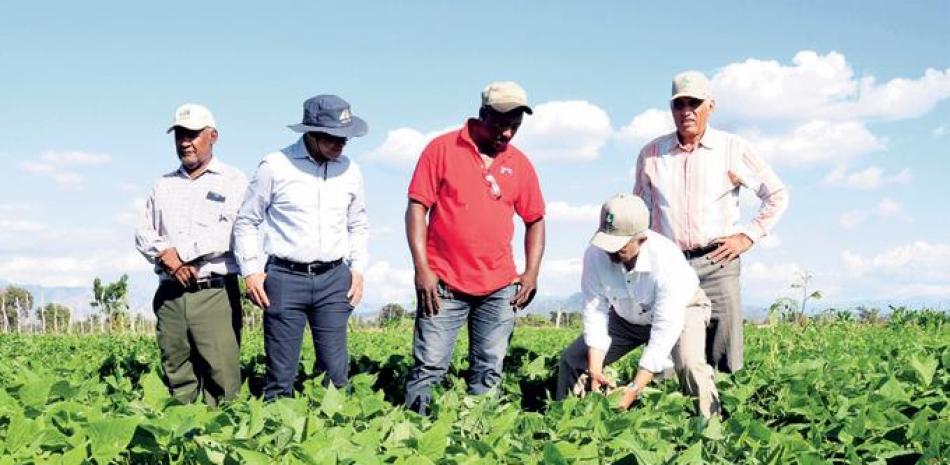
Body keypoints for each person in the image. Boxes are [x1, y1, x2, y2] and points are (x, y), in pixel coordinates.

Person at [403, 81, 546, 415]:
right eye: (500, 124)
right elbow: (416, 208)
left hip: (499, 287)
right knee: (429, 367)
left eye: (515, 126)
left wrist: (531, 272)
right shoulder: (441, 149)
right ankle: (411, 437)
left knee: (489, 369)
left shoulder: (520, 164)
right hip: (444, 284)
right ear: (482, 114)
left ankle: (478, 438)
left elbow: (536, 219)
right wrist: (422, 269)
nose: (508, 133)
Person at [633, 71, 789, 373]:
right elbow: (641, 214)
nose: (687, 111)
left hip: (719, 261)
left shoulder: (733, 148)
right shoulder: (651, 154)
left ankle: (725, 414)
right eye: (679, 104)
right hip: (672, 265)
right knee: (671, 351)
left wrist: (747, 236)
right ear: (672, 109)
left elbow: (777, 194)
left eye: (695, 103)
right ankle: (674, 414)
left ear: (711, 106)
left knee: (725, 353)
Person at [233, 95, 369, 400]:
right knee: (281, 375)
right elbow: (246, 221)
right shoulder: (275, 166)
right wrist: (252, 272)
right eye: (334, 138)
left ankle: (333, 441)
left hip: (335, 278)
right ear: (310, 133)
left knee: (335, 374)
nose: (341, 145)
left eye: (346, 138)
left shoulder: (350, 171)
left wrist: (358, 269)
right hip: (285, 277)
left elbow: (358, 223)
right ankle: (277, 442)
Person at [556, 193, 720, 418]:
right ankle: (570, 423)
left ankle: (711, 430)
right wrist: (595, 369)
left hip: (683, 309)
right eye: (607, 243)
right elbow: (595, 311)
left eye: (620, 247)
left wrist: (635, 388)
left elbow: (665, 328)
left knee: (691, 365)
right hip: (627, 317)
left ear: (641, 240)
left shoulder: (665, 260)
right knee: (573, 359)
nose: (611, 252)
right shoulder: (595, 255)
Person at [135, 103, 247, 406]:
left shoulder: (233, 180)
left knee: (222, 378)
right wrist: (165, 257)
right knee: (176, 373)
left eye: (193, 134)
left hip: (213, 293)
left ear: (213, 136)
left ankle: (221, 442)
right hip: (170, 292)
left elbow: (231, 230)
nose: (185, 142)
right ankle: (182, 441)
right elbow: (143, 233)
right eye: (180, 135)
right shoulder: (163, 185)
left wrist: (180, 254)